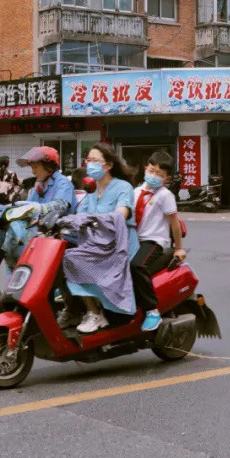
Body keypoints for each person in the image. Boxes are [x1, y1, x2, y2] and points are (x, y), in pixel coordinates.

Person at [64, 143, 138, 334]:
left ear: (108, 165)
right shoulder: (91, 191)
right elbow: (79, 216)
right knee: (66, 256)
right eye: (88, 161)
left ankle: (94, 312)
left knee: (74, 259)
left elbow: (121, 213)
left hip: (118, 245)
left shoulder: (123, 187)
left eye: (95, 161)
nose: (90, 165)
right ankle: (79, 308)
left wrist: (93, 219)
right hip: (96, 245)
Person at [131, 151, 186, 332]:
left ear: (166, 178)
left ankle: (151, 311)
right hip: (133, 239)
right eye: (152, 171)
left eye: (159, 174)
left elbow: (174, 224)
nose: (154, 176)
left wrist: (179, 248)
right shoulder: (136, 192)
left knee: (137, 266)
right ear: (145, 168)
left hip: (153, 241)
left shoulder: (165, 195)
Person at [0, 146, 77, 268]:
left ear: (48, 167)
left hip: (57, 235)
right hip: (39, 233)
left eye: (35, 167)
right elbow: (28, 206)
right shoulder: (40, 187)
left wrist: (37, 208)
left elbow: (61, 205)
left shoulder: (63, 183)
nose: (33, 172)